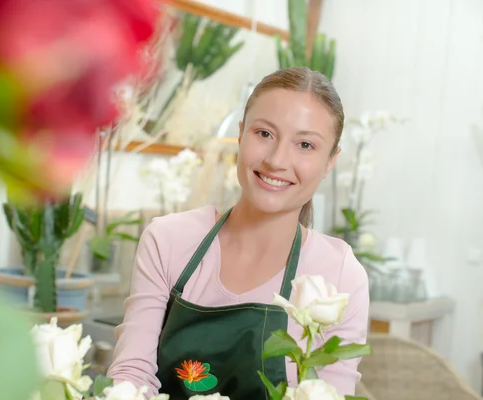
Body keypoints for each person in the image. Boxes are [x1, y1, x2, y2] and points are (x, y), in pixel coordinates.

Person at [107, 67, 369, 399]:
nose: (277, 160)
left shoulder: (341, 277)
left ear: (331, 160)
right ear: (242, 134)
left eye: (305, 144)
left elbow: (332, 394)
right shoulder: (168, 240)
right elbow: (133, 375)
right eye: (264, 134)